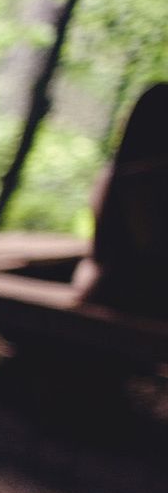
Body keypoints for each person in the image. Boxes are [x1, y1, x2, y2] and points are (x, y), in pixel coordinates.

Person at [72, 82, 168, 319]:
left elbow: (98, 252)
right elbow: (153, 252)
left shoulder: (113, 175)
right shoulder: (148, 180)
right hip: (139, 299)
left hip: (109, 289)